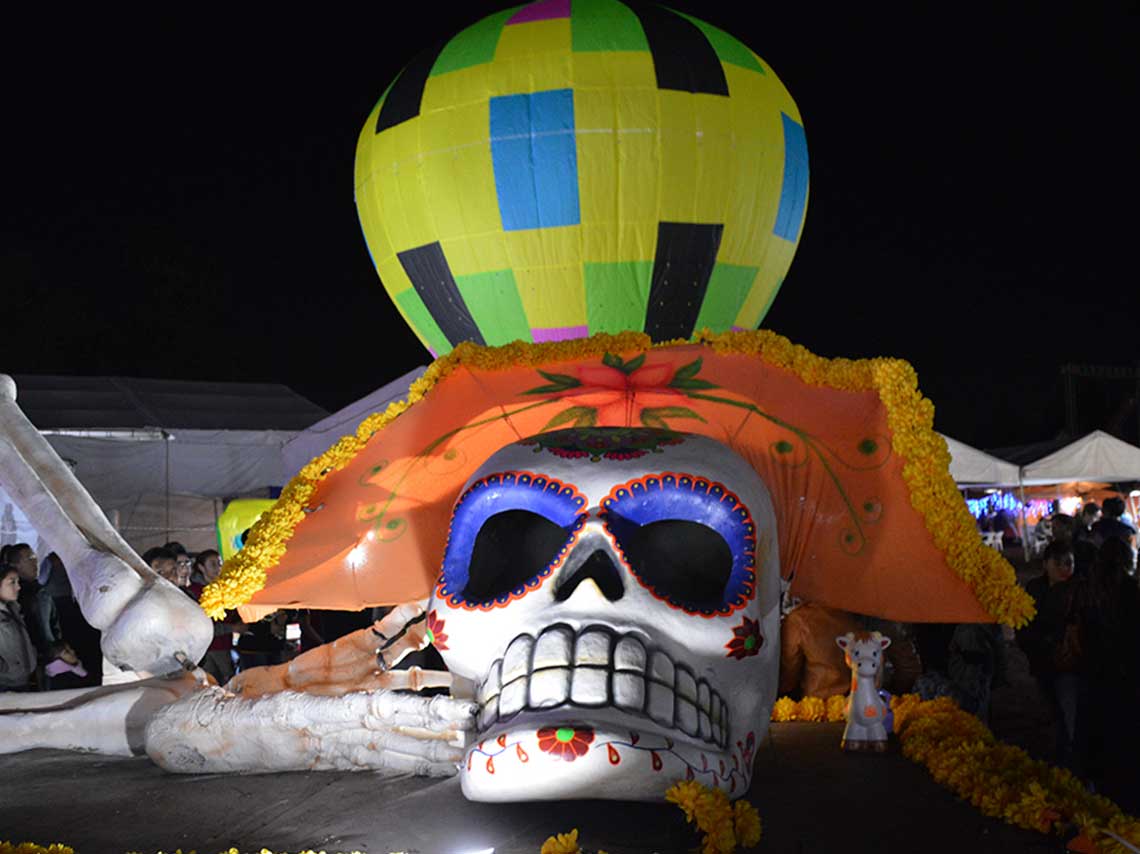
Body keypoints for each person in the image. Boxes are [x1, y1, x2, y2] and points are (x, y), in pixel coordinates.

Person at [1016, 541, 1086, 773]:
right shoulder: (1035, 588)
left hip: (1069, 664)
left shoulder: (1079, 590)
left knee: (1070, 712)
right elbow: (1024, 625)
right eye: (1060, 563)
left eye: (1070, 563)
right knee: (1052, 708)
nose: (1066, 568)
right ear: (1046, 564)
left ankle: (1072, 762)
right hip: (1043, 660)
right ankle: (1059, 755)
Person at [187, 550, 245, 685]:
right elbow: (200, 625)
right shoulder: (194, 592)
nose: (218, 568)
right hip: (207, 650)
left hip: (225, 645)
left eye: (219, 563)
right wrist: (231, 628)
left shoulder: (224, 588)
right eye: (213, 564)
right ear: (201, 568)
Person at [0, 565, 37, 691]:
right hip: (6, 685)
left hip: (22, 680)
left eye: (18, 582)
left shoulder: (13, 608)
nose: (18, 587)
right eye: (12, 582)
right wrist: (7, 670)